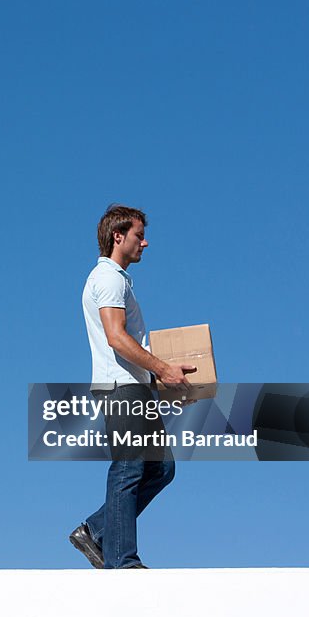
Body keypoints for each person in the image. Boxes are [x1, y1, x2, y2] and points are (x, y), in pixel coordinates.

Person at [68, 205, 195, 569]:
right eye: (139, 235)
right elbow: (116, 338)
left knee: (160, 469)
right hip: (121, 389)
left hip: (134, 386)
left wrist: (168, 380)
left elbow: (127, 343)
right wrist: (162, 369)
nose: (145, 242)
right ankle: (122, 560)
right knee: (130, 467)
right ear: (117, 236)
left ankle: (94, 530)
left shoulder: (118, 279)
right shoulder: (107, 279)